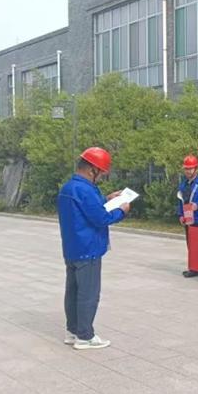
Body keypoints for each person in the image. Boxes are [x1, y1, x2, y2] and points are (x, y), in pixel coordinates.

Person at [56, 147, 130, 350]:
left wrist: (107, 199)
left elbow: (88, 209)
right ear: (92, 170)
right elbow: (101, 218)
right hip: (88, 248)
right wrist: (122, 211)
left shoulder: (69, 187)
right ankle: (85, 336)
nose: (102, 177)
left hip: (72, 248)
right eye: (101, 173)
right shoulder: (86, 190)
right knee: (88, 294)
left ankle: (73, 331)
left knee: (73, 292)